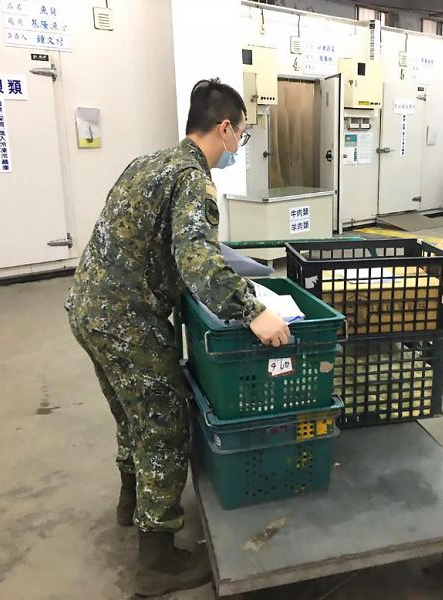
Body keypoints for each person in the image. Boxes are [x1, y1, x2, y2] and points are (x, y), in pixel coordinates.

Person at [65, 78, 290, 597]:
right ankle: (157, 560)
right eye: (241, 135)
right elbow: (196, 259)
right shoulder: (192, 179)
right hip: (128, 319)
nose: (239, 146)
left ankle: (130, 502)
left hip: (88, 309)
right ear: (225, 128)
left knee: (131, 411)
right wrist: (254, 311)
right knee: (164, 421)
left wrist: (240, 268)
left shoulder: (150, 163)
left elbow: (168, 242)